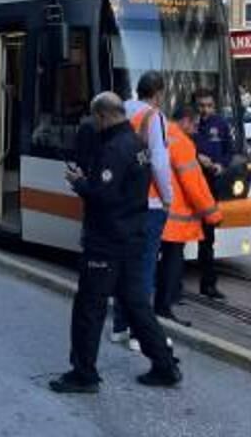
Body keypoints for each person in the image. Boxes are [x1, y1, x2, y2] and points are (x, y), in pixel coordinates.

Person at [50, 93, 181, 393]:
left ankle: (84, 374)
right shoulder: (138, 144)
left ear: (103, 116)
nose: (93, 125)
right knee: (136, 305)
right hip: (133, 237)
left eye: (95, 119)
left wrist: (79, 183)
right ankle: (165, 366)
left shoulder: (113, 148)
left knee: (89, 306)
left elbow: (104, 197)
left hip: (106, 241)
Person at [110, 71, 174, 346]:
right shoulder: (154, 117)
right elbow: (159, 162)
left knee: (124, 265)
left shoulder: (121, 110)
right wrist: (168, 196)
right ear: (158, 93)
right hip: (149, 202)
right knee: (145, 267)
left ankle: (119, 326)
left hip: (122, 201)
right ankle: (139, 332)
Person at [156, 105, 223, 323]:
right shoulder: (183, 143)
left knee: (157, 261)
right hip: (176, 218)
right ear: (185, 121)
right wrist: (212, 214)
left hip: (156, 210)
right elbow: (193, 183)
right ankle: (164, 308)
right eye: (194, 124)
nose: (196, 129)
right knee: (173, 263)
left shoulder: (159, 133)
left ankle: (160, 305)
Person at [192, 88, 233, 300]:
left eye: (209, 105)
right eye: (201, 106)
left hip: (211, 186)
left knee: (208, 238)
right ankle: (171, 287)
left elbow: (229, 151)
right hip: (188, 188)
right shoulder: (189, 125)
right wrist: (196, 157)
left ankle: (208, 285)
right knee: (176, 238)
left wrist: (219, 166)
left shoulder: (221, 124)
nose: (205, 110)